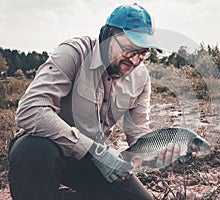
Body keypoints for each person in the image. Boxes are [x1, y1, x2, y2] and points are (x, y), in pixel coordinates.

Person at [8, 3, 184, 200]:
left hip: (93, 159)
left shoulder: (141, 78)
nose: (135, 60)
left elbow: (138, 134)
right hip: (46, 148)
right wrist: (94, 151)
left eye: (143, 52)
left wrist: (159, 152)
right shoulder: (74, 52)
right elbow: (30, 110)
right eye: (129, 48)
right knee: (33, 151)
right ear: (107, 36)